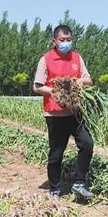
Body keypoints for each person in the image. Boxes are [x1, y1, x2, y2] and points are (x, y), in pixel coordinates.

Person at [32, 25, 95, 198]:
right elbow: (37, 86)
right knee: (56, 153)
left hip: (74, 112)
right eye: (62, 40)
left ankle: (79, 182)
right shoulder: (46, 59)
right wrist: (56, 91)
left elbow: (89, 79)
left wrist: (79, 82)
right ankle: (55, 188)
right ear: (54, 41)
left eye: (69, 40)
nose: (66, 43)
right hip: (55, 115)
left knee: (87, 144)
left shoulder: (77, 58)